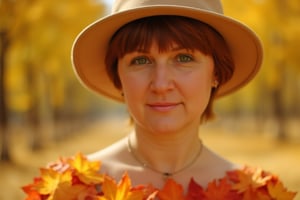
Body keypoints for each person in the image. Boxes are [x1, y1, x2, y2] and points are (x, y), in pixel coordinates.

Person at [70, 0, 296, 198]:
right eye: (140, 61)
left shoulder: (256, 195)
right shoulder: (68, 191)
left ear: (216, 73)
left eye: (183, 57)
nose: (160, 85)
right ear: (117, 76)